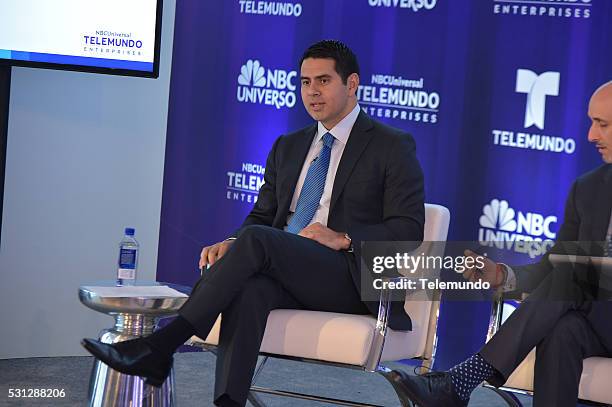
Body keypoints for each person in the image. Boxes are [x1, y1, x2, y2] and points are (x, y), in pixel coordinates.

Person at [81, 40, 425, 407]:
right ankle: (228, 401)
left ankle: (163, 345)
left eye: (323, 81)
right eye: (305, 82)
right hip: (286, 267)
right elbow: (262, 217)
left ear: (352, 83)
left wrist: (342, 238)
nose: (312, 92)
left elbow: (409, 228)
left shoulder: (391, 145)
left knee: (259, 241)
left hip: (349, 277)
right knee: (250, 289)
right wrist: (233, 242)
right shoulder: (288, 146)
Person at [382, 81, 612, 407]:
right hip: (599, 318)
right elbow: (555, 264)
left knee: (576, 275)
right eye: (591, 122)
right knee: (564, 330)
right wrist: (501, 276)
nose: (591, 135)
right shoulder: (588, 190)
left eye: (602, 124)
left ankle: (461, 381)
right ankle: (458, 384)